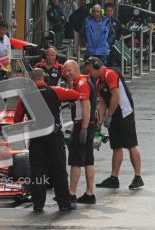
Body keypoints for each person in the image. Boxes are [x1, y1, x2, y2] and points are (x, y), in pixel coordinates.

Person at [14, 68, 79, 212]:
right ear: (45, 78)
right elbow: (76, 95)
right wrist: (69, 83)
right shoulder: (55, 91)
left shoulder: (25, 96)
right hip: (54, 136)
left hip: (36, 137)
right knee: (59, 169)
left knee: (37, 170)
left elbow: (16, 119)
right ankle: (63, 203)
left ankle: (38, 204)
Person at [84, 57, 144, 190]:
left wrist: (109, 115)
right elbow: (102, 102)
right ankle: (114, 177)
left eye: (90, 71)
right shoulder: (99, 82)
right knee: (116, 145)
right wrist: (100, 120)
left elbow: (116, 95)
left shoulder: (109, 74)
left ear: (96, 66)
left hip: (124, 112)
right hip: (114, 113)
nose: (90, 75)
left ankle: (138, 176)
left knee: (130, 144)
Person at [63, 60, 97, 204]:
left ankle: (71, 194)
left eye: (69, 70)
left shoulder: (82, 84)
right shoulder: (81, 82)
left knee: (75, 160)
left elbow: (86, 107)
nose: (67, 73)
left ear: (77, 69)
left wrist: (83, 129)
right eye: (65, 71)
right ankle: (90, 194)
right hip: (89, 124)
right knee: (89, 159)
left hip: (83, 125)